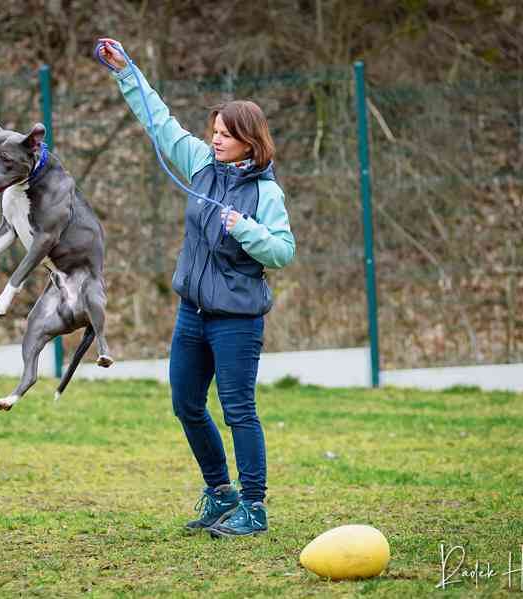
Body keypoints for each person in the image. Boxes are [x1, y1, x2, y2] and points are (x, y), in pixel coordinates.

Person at [98, 39, 295, 537]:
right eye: (213, 133)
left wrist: (243, 228)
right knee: (186, 403)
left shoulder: (266, 192)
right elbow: (159, 122)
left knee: (238, 410)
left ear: (250, 141)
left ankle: (254, 506)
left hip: (237, 320)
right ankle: (221, 493)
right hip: (192, 315)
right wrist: (127, 71)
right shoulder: (200, 167)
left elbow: (284, 251)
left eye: (226, 135)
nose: (215, 141)